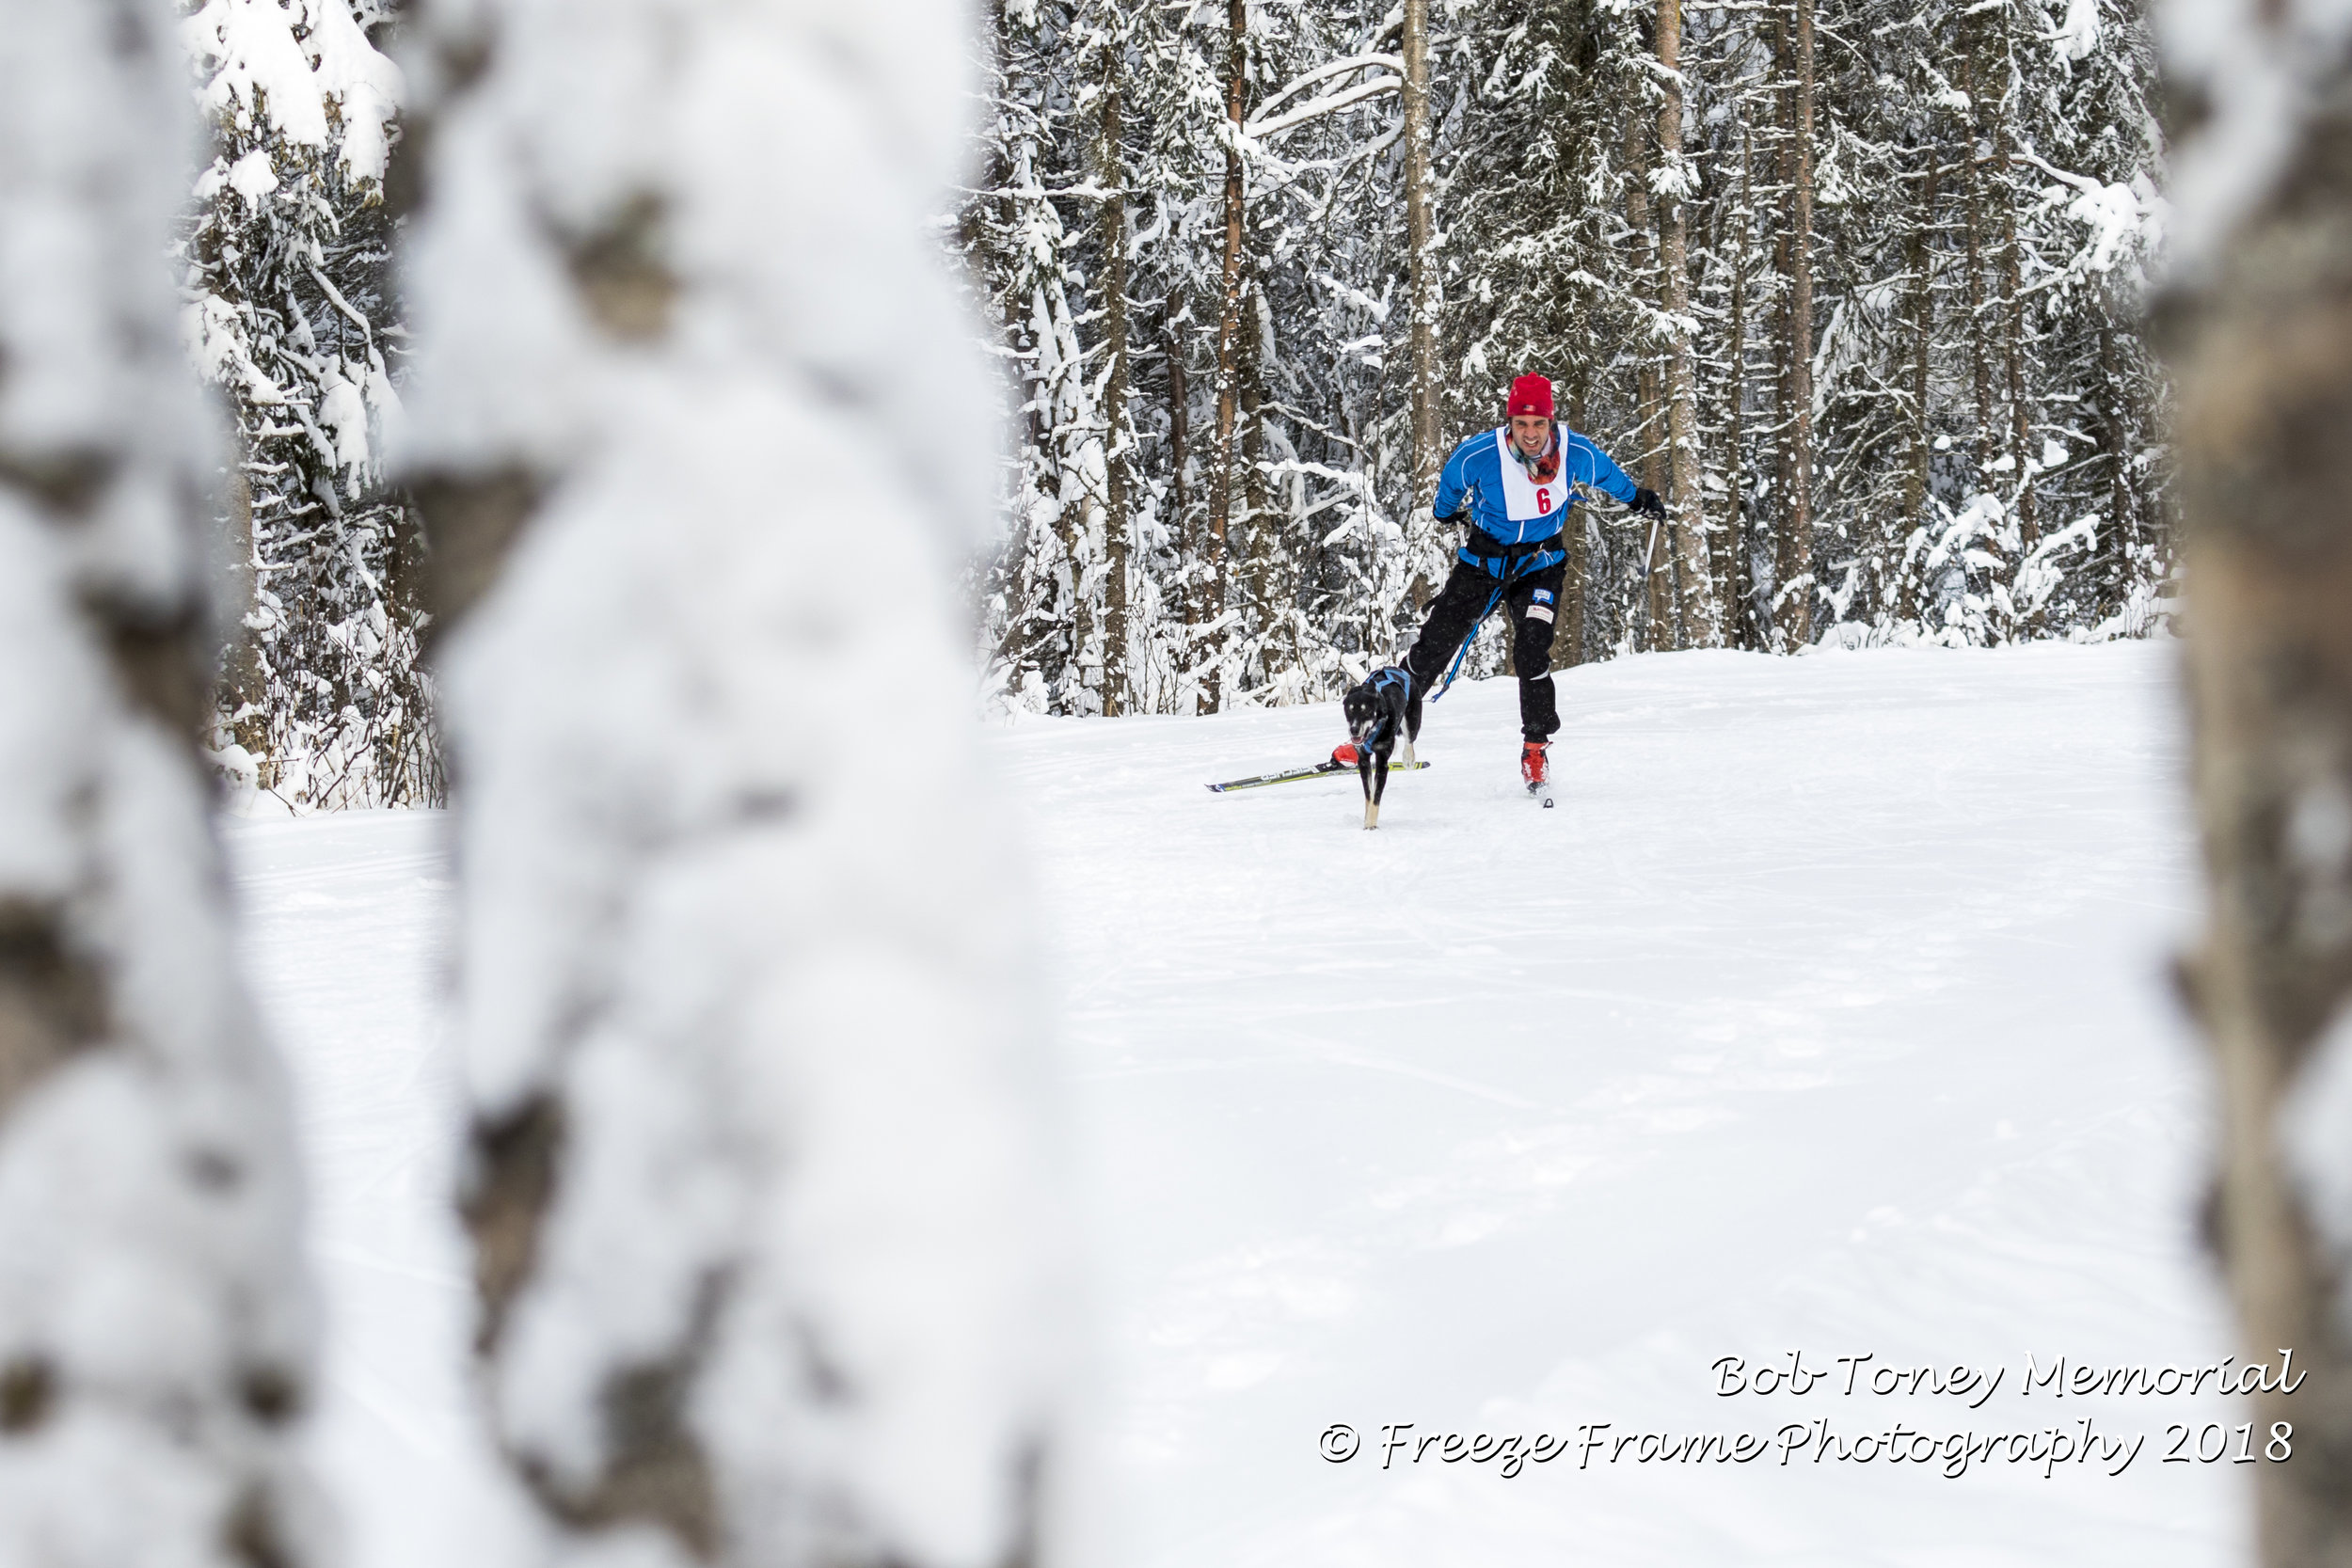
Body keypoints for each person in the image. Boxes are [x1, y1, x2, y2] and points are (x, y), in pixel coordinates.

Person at [1397, 372, 1664, 789]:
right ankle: (1379, 727)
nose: (1530, 434)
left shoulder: (1576, 452)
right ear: (1509, 422)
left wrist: (1637, 498)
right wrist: (1448, 513)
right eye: (1521, 424)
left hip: (1541, 564)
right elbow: (1449, 488)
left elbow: (1609, 476)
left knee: (1532, 649)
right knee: (1437, 641)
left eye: (1539, 423)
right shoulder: (1480, 453)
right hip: (1484, 561)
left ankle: (1535, 747)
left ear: (1551, 421)